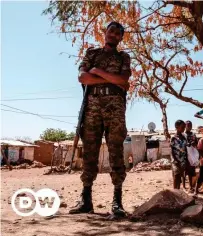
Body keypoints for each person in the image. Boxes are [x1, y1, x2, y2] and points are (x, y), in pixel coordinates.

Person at [69, 22, 131, 216]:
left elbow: (124, 80)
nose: (113, 35)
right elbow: (82, 78)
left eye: (117, 33)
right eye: (111, 31)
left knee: (115, 151)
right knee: (89, 152)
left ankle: (117, 201)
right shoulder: (92, 53)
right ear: (105, 33)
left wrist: (97, 72)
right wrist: (110, 78)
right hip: (92, 107)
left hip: (115, 108)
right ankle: (86, 200)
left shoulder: (123, 57)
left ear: (121, 38)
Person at [170, 120, 188, 190]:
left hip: (182, 161)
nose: (184, 128)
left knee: (180, 177)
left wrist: (186, 159)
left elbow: (185, 149)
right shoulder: (173, 138)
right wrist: (175, 160)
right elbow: (172, 150)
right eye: (182, 127)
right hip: (175, 161)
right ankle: (175, 192)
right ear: (177, 127)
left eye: (184, 127)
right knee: (176, 175)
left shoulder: (184, 138)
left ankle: (178, 192)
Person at [185, 121, 198, 192]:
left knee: (191, 171)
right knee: (185, 171)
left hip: (192, 155)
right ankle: (184, 186)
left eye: (190, 125)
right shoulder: (183, 134)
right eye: (188, 125)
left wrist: (194, 143)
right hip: (185, 155)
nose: (189, 127)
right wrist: (188, 144)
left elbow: (196, 142)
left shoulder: (193, 134)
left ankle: (191, 186)